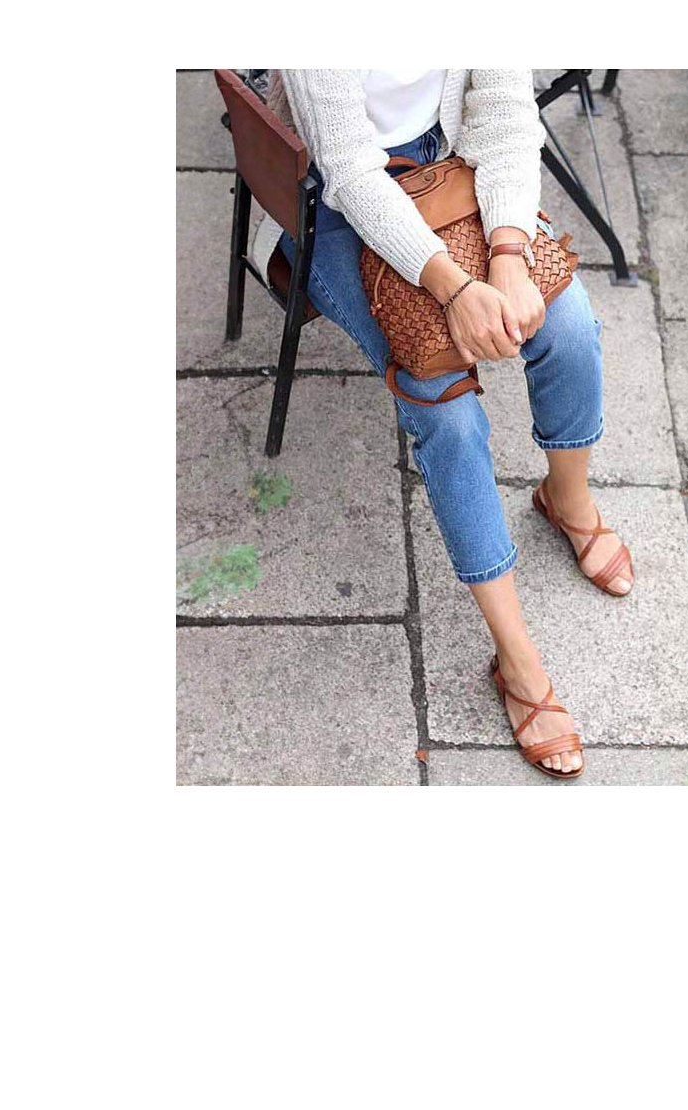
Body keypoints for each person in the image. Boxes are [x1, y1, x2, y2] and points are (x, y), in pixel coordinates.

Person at [254, 69, 634, 779]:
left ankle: (568, 500)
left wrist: (510, 254)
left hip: (453, 159)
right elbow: (351, 172)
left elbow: (506, 113)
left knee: (569, 328)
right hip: (339, 205)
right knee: (448, 413)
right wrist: (455, 288)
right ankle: (516, 661)